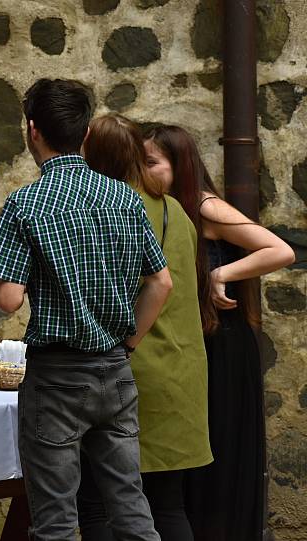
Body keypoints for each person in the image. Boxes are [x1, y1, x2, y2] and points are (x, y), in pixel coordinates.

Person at [0, 79, 172, 540]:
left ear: (32, 131)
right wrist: (129, 343)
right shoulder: (124, 197)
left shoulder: (26, 203)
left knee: (56, 521)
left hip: (57, 376)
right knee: (130, 505)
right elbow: (161, 283)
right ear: (86, 133)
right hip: (114, 368)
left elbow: (9, 298)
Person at [144, 125, 295, 541]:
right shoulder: (163, 210)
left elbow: (279, 250)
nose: (143, 171)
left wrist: (219, 273)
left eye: (153, 163)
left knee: (219, 456)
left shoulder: (205, 207)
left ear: (181, 166)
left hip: (222, 347)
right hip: (194, 347)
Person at [75, 114, 213, 540]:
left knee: (97, 503)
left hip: (131, 369)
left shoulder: (112, 210)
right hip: (182, 371)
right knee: (168, 505)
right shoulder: (175, 210)